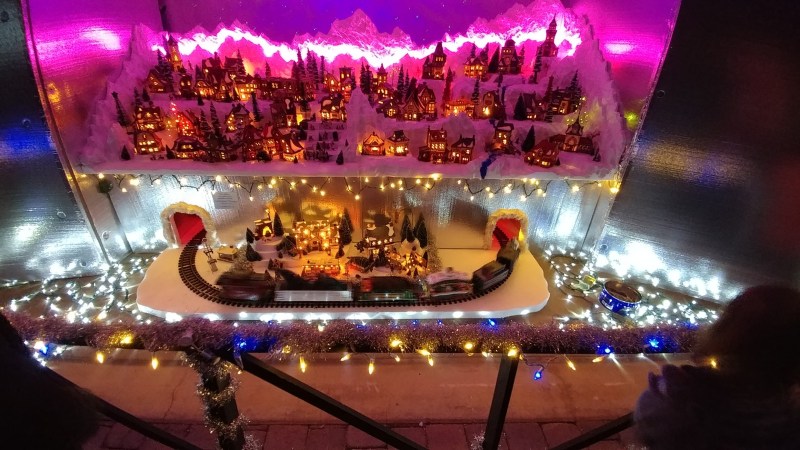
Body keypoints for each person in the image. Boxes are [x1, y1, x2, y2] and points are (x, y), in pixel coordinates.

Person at [635, 286, 800, 449]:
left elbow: (649, 417)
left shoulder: (680, 401)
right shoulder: (789, 415)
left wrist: (672, 387)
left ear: (727, 328)